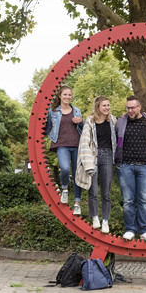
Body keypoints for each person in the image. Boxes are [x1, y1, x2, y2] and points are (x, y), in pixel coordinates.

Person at [115, 95, 146, 241]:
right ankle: (130, 229)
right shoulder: (120, 121)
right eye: (128, 108)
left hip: (144, 166)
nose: (130, 110)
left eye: (133, 107)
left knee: (144, 200)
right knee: (128, 200)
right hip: (125, 166)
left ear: (139, 107)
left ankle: (144, 230)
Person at [75, 96, 117, 234]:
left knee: (106, 191)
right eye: (104, 105)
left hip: (108, 156)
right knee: (92, 190)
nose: (107, 108)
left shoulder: (113, 120)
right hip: (93, 156)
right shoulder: (90, 122)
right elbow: (84, 142)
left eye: (108, 105)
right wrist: (88, 164)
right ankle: (95, 217)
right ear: (98, 107)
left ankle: (105, 220)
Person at [45, 85, 83, 215]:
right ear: (60, 96)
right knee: (65, 168)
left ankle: (77, 203)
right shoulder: (53, 111)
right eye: (65, 94)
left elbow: (82, 130)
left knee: (78, 174)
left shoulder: (76, 110)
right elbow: (48, 127)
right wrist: (35, 139)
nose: (67, 97)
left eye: (69, 95)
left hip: (77, 145)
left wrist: (80, 122)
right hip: (61, 145)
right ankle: (65, 189)